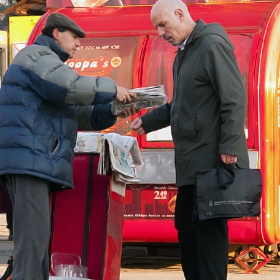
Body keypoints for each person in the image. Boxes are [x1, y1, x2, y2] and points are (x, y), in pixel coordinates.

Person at [0, 12, 137, 280]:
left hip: (35, 161)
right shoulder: (37, 58)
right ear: (56, 33)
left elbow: (76, 113)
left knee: (38, 241)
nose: (77, 45)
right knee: (31, 244)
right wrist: (111, 88)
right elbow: (72, 88)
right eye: (74, 38)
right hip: (29, 161)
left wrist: (111, 110)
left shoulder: (49, 69)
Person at [131, 1, 249, 279]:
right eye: (156, 27)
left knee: (207, 235)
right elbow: (180, 105)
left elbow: (234, 97)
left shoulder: (211, 45)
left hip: (210, 162)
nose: (160, 32)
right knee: (186, 227)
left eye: (162, 24)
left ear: (180, 14)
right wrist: (147, 121)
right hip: (190, 162)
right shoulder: (185, 52)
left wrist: (230, 145)